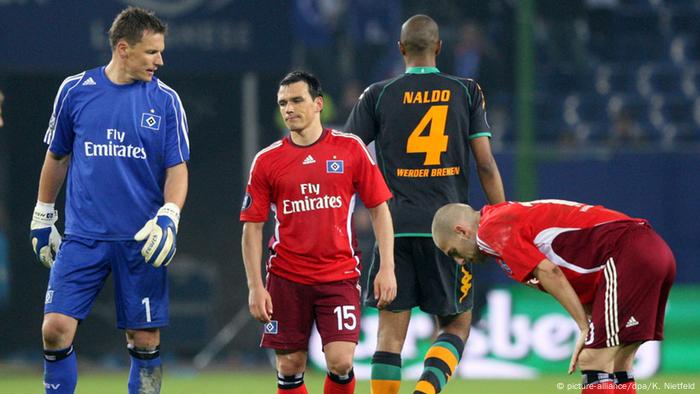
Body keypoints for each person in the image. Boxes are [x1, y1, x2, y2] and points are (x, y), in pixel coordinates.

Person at [30, 7, 189, 394]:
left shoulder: (166, 101)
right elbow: (57, 156)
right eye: (152, 52)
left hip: (142, 241)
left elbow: (177, 169)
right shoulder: (75, 90)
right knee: (54, 330)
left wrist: (169, 215)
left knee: (145, 341)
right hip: (84, 236)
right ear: (123, 48)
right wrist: (43, 213)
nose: (160, 60)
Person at [343, 14, 505, 394]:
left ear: (400, 49)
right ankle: (426, 391)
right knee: (456, 324)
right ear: (439, 48)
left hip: (393, 230)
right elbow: (485, 163)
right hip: (450, 232)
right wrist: (504, 223)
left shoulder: (377, 94)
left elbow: (346, 156)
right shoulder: (466, 91)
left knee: (389, 334)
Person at [240, 70, 397, 394]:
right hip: (286, 277)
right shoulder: (267, 161)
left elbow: (380, 210)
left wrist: (387, 268)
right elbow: (252, 228)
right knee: (289, 365)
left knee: (340, 361)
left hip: (337, 275)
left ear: (318, 104)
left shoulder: (350, 149)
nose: (288, 109)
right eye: (283, 102)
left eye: (297, 100)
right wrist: (256, 286)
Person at [432, 200, 676, 394]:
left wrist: (584, 328)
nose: (460, 261)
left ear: (462, 231)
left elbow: (549, 271)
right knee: (619, 363)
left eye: (453, 251)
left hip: (630, 253)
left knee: (592, 359)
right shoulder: (503, 215)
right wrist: (590, 318)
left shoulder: (488, 231)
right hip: (652, 250)